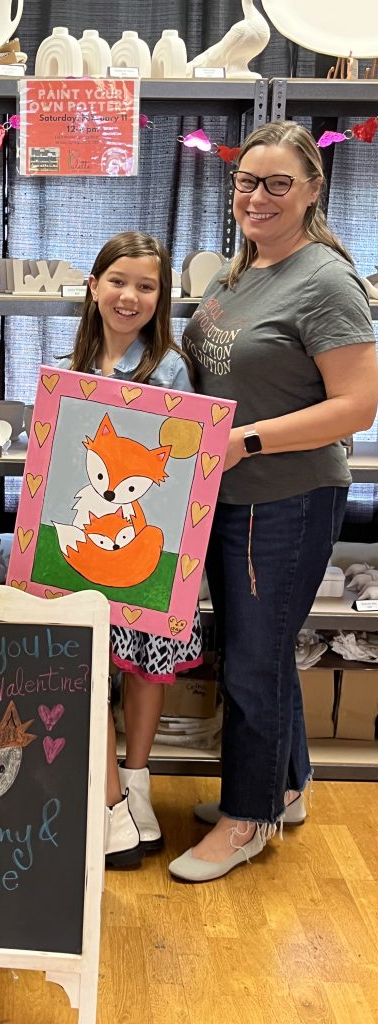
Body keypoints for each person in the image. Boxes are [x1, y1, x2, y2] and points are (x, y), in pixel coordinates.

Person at [173, 121, 378, 882]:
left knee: (255, 661)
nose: (257, 196)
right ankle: (284, 788)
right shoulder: (240, 270)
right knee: (254, 650)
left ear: (312, 190)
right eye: (246, 182)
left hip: (284, 498)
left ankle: (246, 819)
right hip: (229, 495)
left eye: (278, 183)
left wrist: (247, 441)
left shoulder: (325, 280)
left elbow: (358, 405)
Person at [60, 231, 202, 867]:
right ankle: (108, 796)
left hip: (143, 553)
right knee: (90, 672)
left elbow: (186, 470)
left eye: (146, 287)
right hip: (84, 555)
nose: (129, 296)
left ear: (160, 298)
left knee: (145, 669)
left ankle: (136, 784)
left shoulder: (169, 368)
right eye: (118, 281)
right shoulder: (72, 367)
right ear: (94, 286)